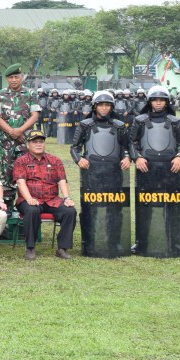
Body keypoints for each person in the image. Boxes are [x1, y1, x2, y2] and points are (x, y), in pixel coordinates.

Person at [70, 91, 131, 258]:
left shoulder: (119, 125)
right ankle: (90, 242)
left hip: (114, 171)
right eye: (101, 105)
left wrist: (127, 157)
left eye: (107, 105)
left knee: (115, 209)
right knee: (91, 208)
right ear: (94, 106)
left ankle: (114, 243)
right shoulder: (85, 124)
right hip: (92, 172)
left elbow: (127, 146)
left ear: (112, 107)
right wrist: (79, 159)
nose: (104, 108)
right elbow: (75, 147)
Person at [129, 85, 180, 257]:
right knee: (144, 207)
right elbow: (132, 142)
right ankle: (141, 242)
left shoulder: (175, 121)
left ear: (167, 102)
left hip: (170, 169)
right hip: (146, 168)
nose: (158, 103)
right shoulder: (140, 120)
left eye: (162, 100)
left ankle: (174, 243)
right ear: (150, 102)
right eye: (155, 100)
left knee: (172, 207)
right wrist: (137, 157)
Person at [12, 130, 75, 260]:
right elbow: (20, 182)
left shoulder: (55, 160)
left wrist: (67, 198)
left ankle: (62, 248)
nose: (38, 144)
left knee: (70, 211)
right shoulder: (21, 161)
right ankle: (30, 248)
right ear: (28, 145)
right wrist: (29, 198)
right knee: (32, 210)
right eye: (35, 142)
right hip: (29, 199)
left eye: (41, 142)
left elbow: (62, 180)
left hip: (52, 199)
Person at [0, 64, 40, 207]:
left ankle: (26, 204)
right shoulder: (0, 95)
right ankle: (7, 206)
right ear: (7, 79)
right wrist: (12, 132)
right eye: (11, 77)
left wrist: (20, 131)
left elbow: (34, 115)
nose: (13, 80)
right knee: (6, 173)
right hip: (6, 142)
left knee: (28, 172)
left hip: (25, 141)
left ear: (21, 77)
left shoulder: (31, 94)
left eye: (16, 77)